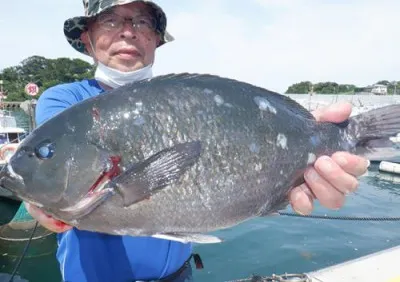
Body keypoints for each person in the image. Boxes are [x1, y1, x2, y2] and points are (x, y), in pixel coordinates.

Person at [25, 0, 370, 281]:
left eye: (142, 22)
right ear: (87, 36)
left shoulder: (183, 98)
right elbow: (53, 176)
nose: (128, 32)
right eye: (111, 20)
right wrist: (38, 202)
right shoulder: (65, 102)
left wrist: (310, 149)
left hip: (180, 275)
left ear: (156, 39)